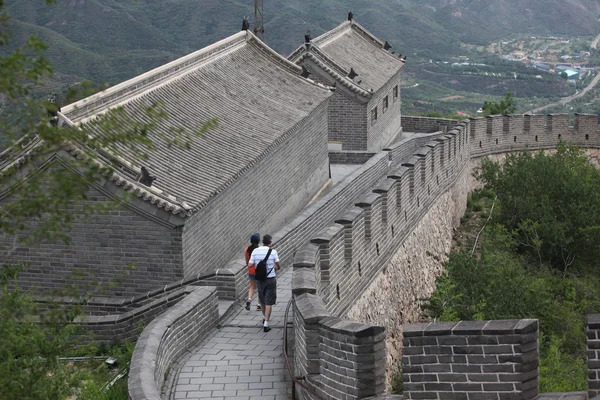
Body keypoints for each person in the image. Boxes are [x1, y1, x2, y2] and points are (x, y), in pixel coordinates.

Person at [247, 234, 280, 332]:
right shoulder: (273, 252)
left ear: (262, 241)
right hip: (270, 279)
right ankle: (266, 323)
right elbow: (278, 265)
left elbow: (250, 265)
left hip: (259, 279)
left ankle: (263, 316)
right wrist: (273, 267)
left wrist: (258, 264)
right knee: (269, 301)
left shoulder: (255, 251)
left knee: (262, 300)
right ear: (270, 242)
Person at [245, 233, 261, 311]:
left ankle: (249, 299)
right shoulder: (260, 249)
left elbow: (247, 262)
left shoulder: (247, 249)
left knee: (252, 287)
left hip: (251, 271)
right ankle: (259, 304)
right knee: (260, 287)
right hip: (259, 271)